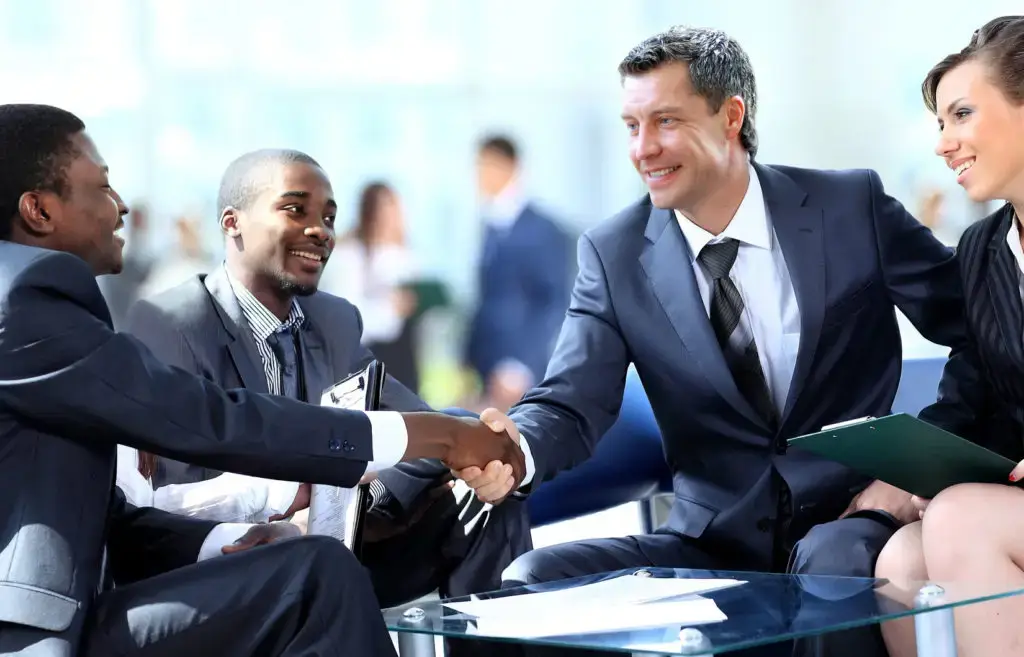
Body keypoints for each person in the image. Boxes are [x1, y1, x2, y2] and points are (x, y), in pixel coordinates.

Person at [457, 26, 965, 657]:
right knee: (533, 580)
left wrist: (912, 470)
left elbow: (977, 328)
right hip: (709, 542)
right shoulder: (613, 254)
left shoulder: (847, 206)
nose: (643, 148)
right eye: (631, 125)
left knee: (829, 568)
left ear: (731, 116)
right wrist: (516, 447)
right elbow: (571, 400)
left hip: (849, 520)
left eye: (665, 121)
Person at [0, 104, 526, 656]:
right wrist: (439, 436)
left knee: (316, 565)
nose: (122, 204)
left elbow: (114, 519)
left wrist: (229, 541)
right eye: (103, 185)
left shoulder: (332, 318)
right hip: (35, 634)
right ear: (38, 209)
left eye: (329, 214)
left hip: (88, 606)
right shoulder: (26, 300)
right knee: (316, 577)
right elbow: (212, 419)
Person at [123, 149, 532, 610]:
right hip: (238, 564)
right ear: (232, 222)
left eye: (329, 217)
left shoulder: (334, 319)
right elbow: (166, 506)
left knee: (485, 498)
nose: (320, 230)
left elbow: (422, 429)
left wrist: (349, 504)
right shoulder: (171, 322)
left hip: (339, 543)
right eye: (295, 209)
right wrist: (294, 511)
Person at [874, 16, 1024, 657]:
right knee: (902, 558)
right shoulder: (983, 250)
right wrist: (913, 467)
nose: (944, 143)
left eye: (962, 114)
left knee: (962, 520)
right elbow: (974, 393)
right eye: (940, 122)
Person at [464, 135, 571, 411]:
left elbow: (552, 303)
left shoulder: (543, 230)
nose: (480, 175)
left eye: (487, 165)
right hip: (486, 368)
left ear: (510, 167)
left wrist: (520, 366)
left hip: (518, 375)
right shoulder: (490, 224)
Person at [320, 181, 422, 392]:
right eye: (383, 211)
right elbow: (348, 316)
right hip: (367, 360)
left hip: (403, 360)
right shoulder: (350, 256)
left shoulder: (405, 257)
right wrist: (391, 309)